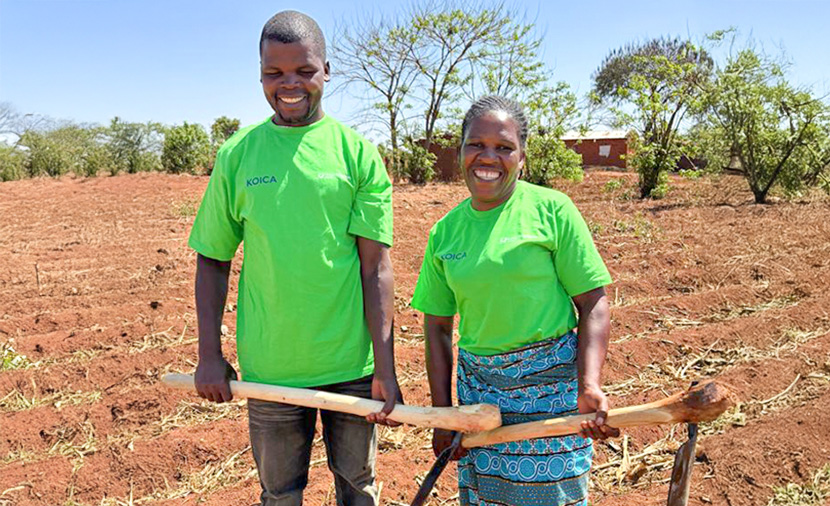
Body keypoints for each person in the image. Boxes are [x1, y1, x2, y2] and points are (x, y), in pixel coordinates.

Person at [187, 10, 401, 506]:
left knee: (358, 488)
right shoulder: (237, 156)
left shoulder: (357, 155)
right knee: (279, 494)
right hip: (271, 368)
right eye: (274, 72)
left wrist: (384, 368)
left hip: (350, 364)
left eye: (304, 71)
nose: (290, 84)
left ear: (327, 69)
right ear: (260, 73)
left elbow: (376, 269)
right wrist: (209, 355)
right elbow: (213, 261)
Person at [410, 95, 620, 506]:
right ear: (461, 153)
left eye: (504, 147)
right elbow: (436, 326)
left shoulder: (552, 211)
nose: (488, 157)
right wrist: (443, 415)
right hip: (481, 399)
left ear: (522, 157)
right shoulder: (445, 232)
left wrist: (589, 385)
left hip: (552, 395)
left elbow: (593, 302)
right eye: (476, 145)